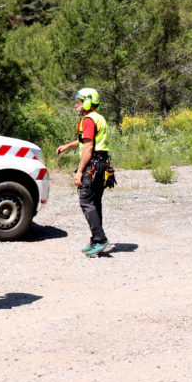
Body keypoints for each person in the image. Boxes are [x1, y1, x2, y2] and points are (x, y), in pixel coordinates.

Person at [56, 87, 112, 257]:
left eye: (79, 102)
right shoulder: (98, 118)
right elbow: (84, 141)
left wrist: (79, 172)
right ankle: (96, 241)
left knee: (86, 200)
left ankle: (101, 240)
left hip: (93, 164)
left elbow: (88, 148)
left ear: (87, 103)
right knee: (95, 201)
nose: (76, 106)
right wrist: (67, 146)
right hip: (103, 163)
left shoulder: (88, 119)